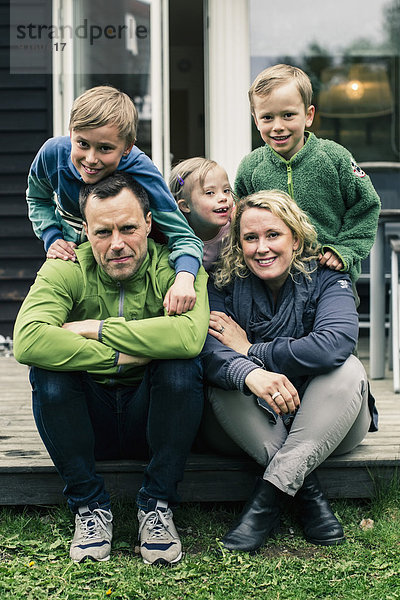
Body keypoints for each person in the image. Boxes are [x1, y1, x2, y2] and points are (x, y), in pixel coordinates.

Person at [14, 172, 209, 566]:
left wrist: (96, 329)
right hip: (87, 420)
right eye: (103, 232)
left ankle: (156, 504)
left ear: (150, 223)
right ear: (84, 230)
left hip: (151, 418)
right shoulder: (66, 267)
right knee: (47, 371)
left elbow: (188, 338)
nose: (117, 244)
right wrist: (124, 355)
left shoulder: (177, 270)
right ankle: (89, 507)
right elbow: (29, 339)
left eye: (129, 228)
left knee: (182, 368)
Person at [200, 190, 378, 553]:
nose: (261, 247)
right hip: (247, 427)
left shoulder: (327, 278)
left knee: (347, 368)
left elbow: (335, 342)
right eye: (250, 238)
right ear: (239, 243)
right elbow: (209, 350)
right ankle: (307, 493)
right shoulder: (222, 283)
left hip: (332, 425)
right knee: (227, 379)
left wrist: (251, 350)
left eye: (273, 235)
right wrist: (250, 372)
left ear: (295, 239)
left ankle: (265, 504)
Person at [26, 85, 203, 315]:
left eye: (105, 148)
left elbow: (182, 235)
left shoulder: (143, 172)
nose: (91, 159)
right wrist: (52, 236)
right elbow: (37, 198)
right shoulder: (52, 155)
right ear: (71, 133)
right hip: (75, 258)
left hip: (128, 270)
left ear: (127, 147)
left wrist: (184, 279)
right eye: (82, 144)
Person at [235, 63, 381, 284]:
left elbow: (366, 206)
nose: (278, 126)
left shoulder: (334, 158)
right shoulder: (250, 168)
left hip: (328, 275)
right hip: (271, 282)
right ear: (256, 120)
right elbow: (238, 221)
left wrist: (344, 249)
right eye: (267, 118)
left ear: (308, 115)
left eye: (288, 115)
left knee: (334, 320)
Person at [169, 157, 234, 272]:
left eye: (226, 190)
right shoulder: (176, 236)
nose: (223, 198)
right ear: (185, 206)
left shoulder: (235, 226)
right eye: (210, 193)